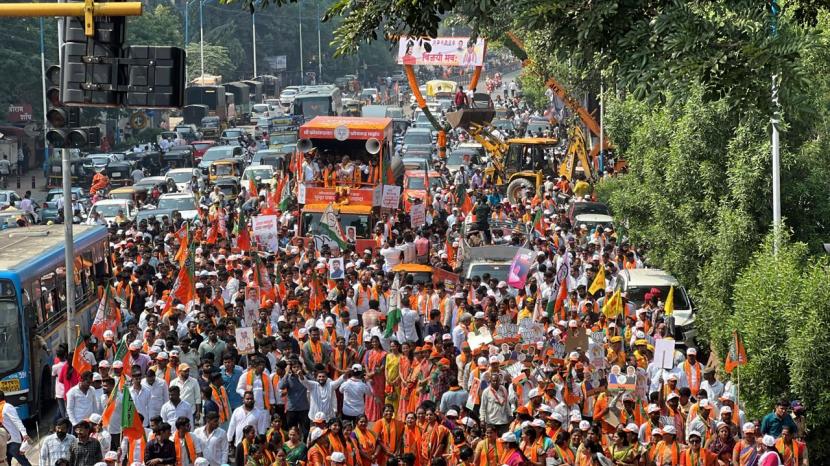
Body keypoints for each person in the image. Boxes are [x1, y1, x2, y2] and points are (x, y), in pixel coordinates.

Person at [0, 390, 31, 466]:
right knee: (6, 462)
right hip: (4, 442)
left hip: (13, 441)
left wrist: (24, 434)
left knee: (22, 461)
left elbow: (17, 421)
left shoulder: (7, 407)